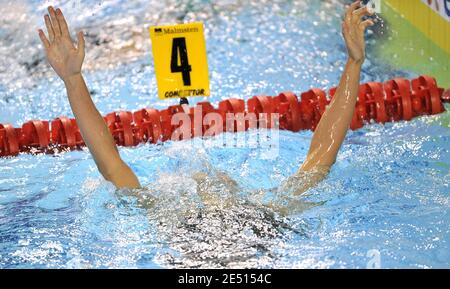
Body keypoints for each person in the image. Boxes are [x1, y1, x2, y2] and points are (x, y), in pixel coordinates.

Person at [37, 1, 374, 197]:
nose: (212, 179)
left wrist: (74, 80)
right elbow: (322, 154)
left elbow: (110, 164)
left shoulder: (166, 214)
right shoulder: (271, 209)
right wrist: (353, 64)